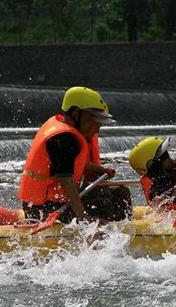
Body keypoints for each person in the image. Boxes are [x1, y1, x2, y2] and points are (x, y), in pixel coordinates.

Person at [19, 86, 132, 223]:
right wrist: (82, 216)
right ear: (75, 113)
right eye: (94, 119)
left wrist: (102, 170)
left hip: (57, 201)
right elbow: (66, 180)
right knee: (103, 205)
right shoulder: (64, 137)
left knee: (120, 192)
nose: (98, 127)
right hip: (43, 208)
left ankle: (124, 229)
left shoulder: (68, 131)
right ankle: (110, 235)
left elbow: (75, 163)